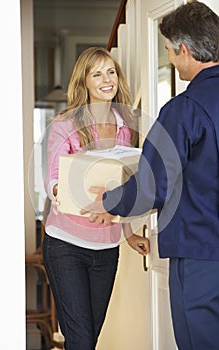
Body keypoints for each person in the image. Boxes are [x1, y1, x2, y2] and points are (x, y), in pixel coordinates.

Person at [82, 2, 219, 350]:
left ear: (185, 50)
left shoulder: (183, 110)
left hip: (202, 257)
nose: (171, 61)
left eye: (169, 52)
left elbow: (152, 186)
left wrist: (108, 201)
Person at [42, 47, 150, 350]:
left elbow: (122, 183)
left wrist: (127, 231)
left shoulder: (125, 127)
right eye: (97, 73)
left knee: (89, 339)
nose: (107, 79)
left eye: (111, 71)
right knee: (81, 341)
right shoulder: (66, 123)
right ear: (85, 82)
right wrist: (71, 195)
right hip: (65, 245)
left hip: (106, 248)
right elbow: (52, 179)